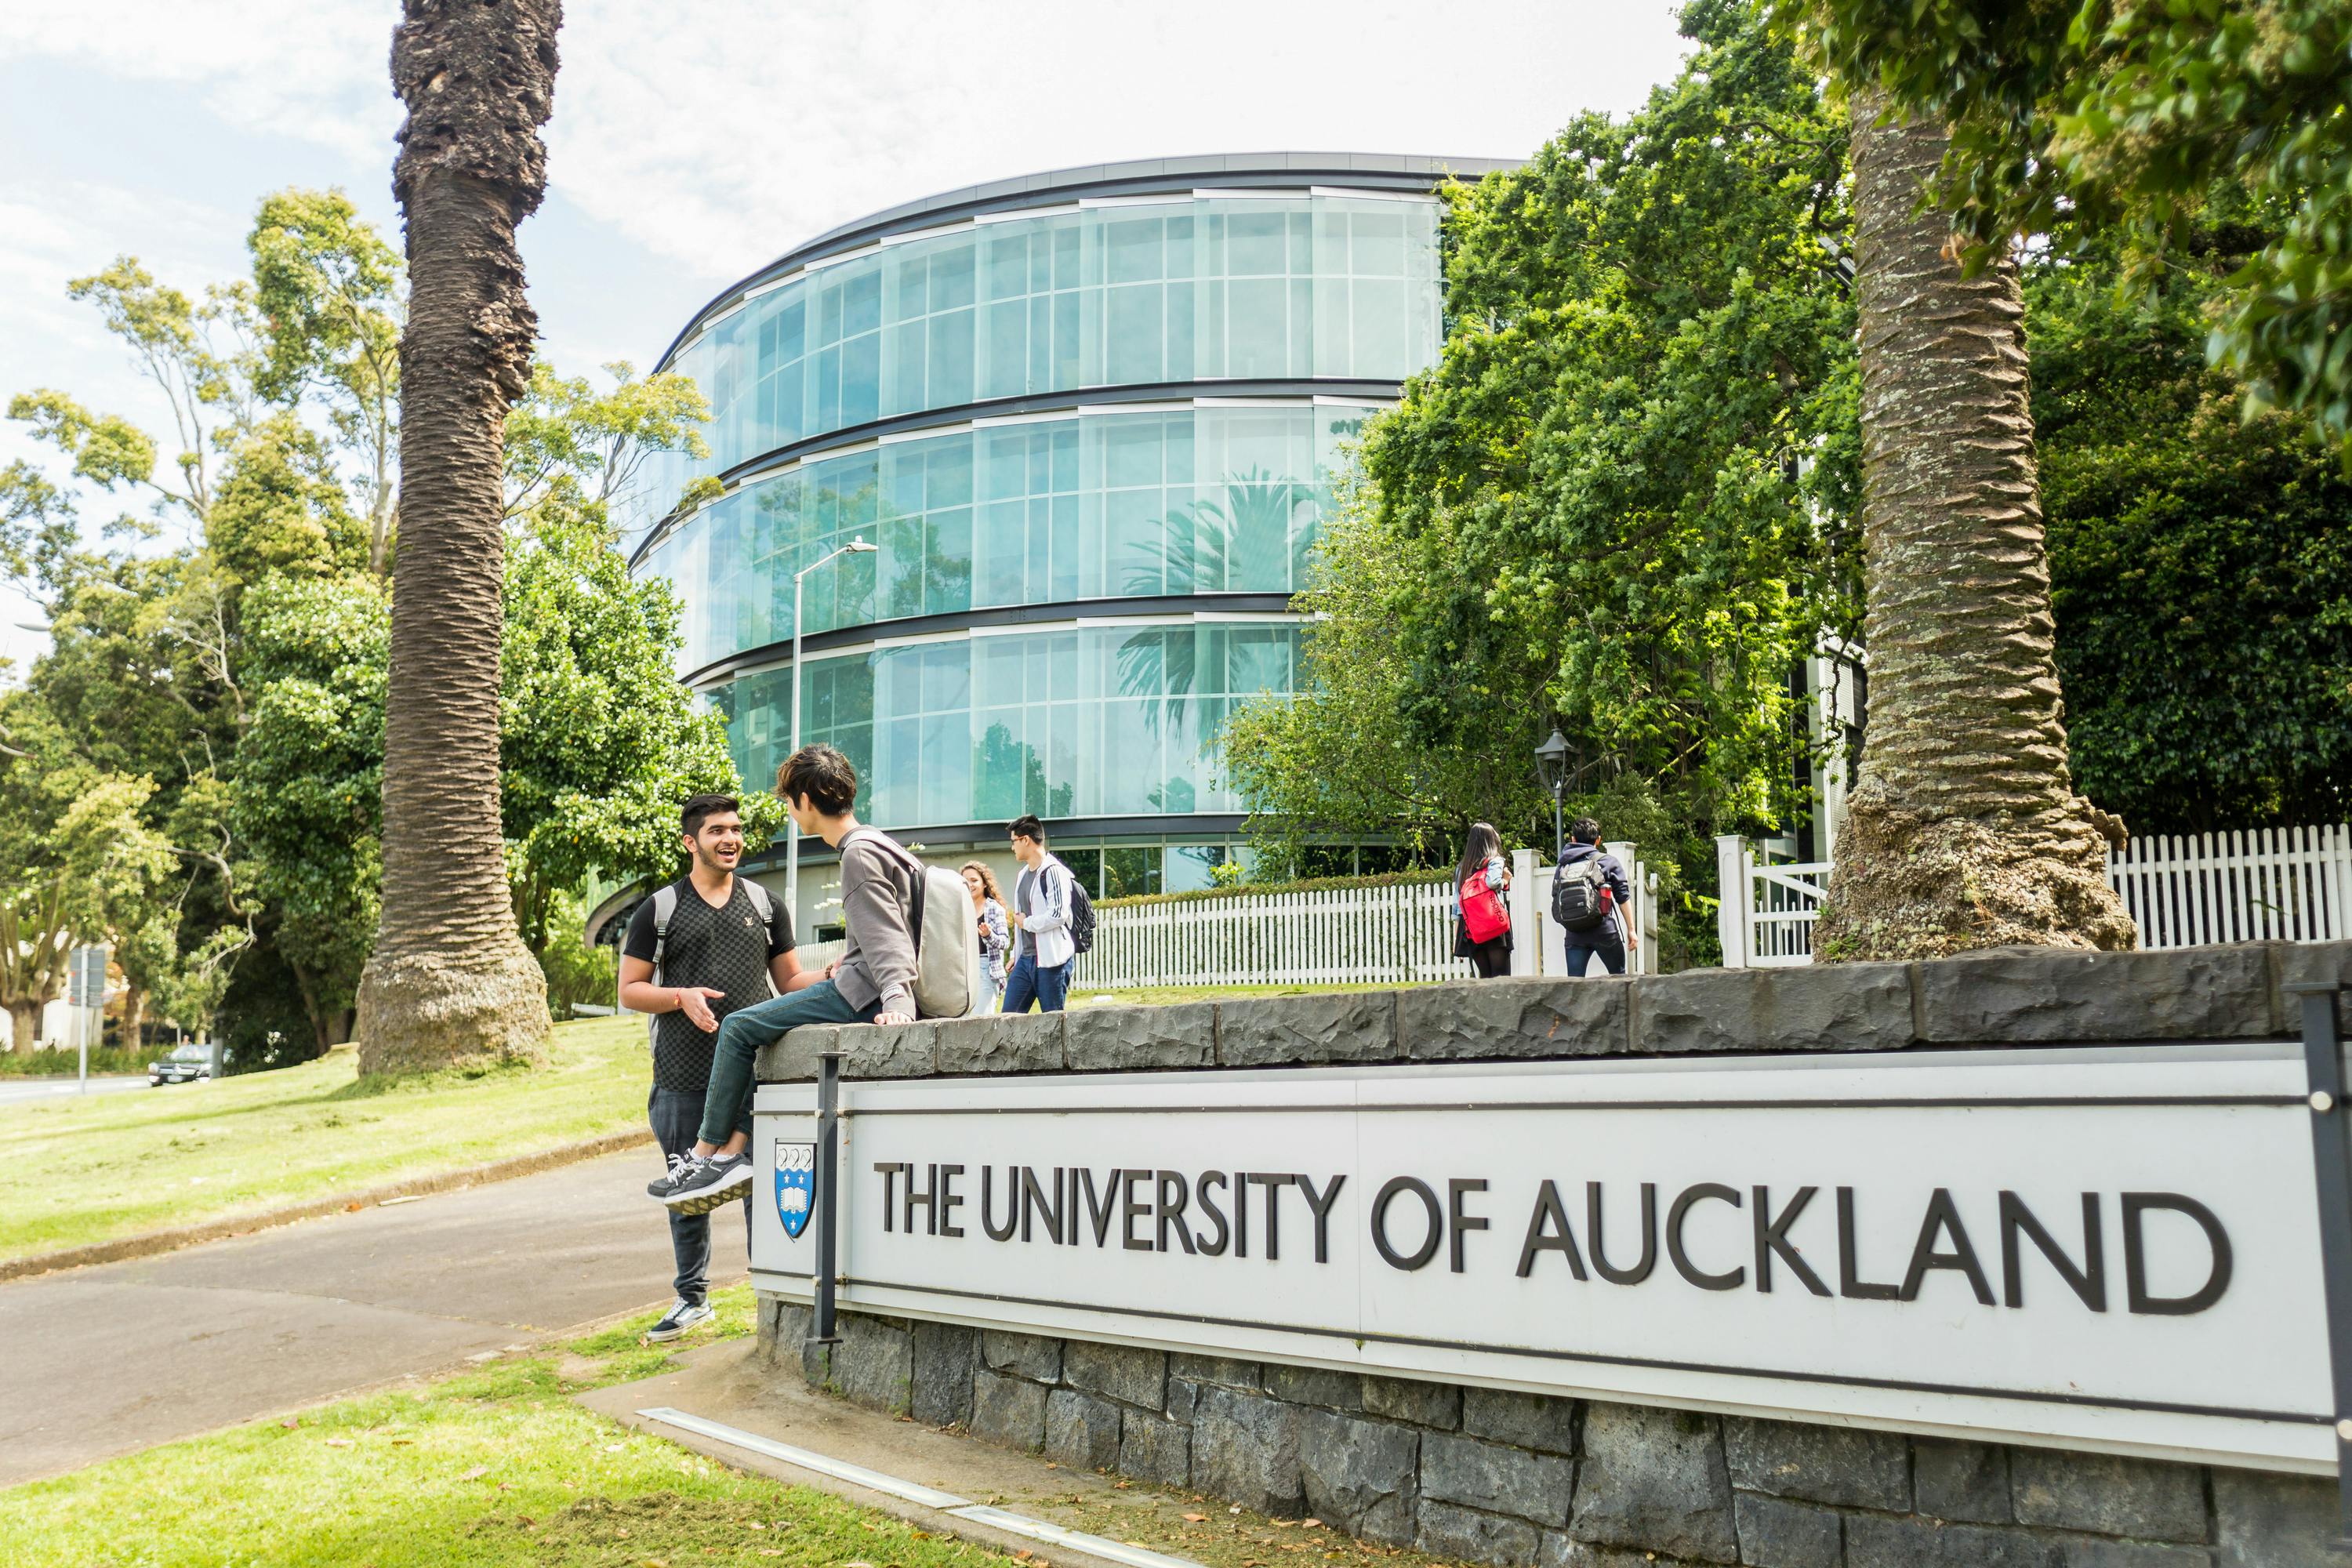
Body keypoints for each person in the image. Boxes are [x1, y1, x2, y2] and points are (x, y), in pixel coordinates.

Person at [652, 745, 919, 1215]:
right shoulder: (882, 843)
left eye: (790, 803)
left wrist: (898, 998)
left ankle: (703, 1155)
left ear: (806, 801)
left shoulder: (857, 854)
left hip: (860, 993)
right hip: (858, 981)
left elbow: (888, 937)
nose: (791, 814)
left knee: (737, 1027)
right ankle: (731, 1153)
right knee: (762, 1034)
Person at [619, 793, 812, 1339]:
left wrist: (835, 977)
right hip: (682, 1076)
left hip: (755, 1078)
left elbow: (790, 981)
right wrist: (680, 996)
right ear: (690, 842)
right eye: (716, 831)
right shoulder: (658, 910)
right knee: (688, 1195)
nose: (730, 839)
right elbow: (630, 990)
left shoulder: (767, 905)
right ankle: (692, 1299)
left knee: (759, 1190)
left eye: (735, 829)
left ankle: (768, 1297)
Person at [1003, 815, 1075, 1014]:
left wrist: (1027, 923)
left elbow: (1058, 914)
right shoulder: (1022, 875)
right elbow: (1020, 917)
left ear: (1025, 840)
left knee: (1053, 1022)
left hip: (1052, 960)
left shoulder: (1053, 871)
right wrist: (1015, 955)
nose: (1012, 847)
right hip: (1025, 960)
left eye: (1013, 841)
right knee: (1007, 1020)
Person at [1555, 817, 1635, 977]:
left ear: (1573, 839)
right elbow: (1623, 897)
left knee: (1574, 986)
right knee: (1619, 978)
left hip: (1574, 934)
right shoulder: (1608, 862)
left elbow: (1555, 897)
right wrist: (1631, 930)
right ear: (1598, 840)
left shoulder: (1563, 865)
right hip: (1605, 932)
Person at [1454, 822, 1514, 978]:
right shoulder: (1495, 861)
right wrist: (1505, 880)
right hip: (1494, 923)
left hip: (1471, 928)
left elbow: (1458, 906)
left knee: (1485, 977)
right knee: (1501, 976)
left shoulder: (1462, 868)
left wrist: (1457, 938)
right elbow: (1493, 882)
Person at [963, 860, 1010, 1012]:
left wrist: (988, 935)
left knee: (981, 1018)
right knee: (963, 1021)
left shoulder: (994, 909)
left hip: (986, 969)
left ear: (984, 884)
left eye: (974, 880)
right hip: (964, 970)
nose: (970, 885)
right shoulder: (960, 908)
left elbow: (1005, 942)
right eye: (965, 881)